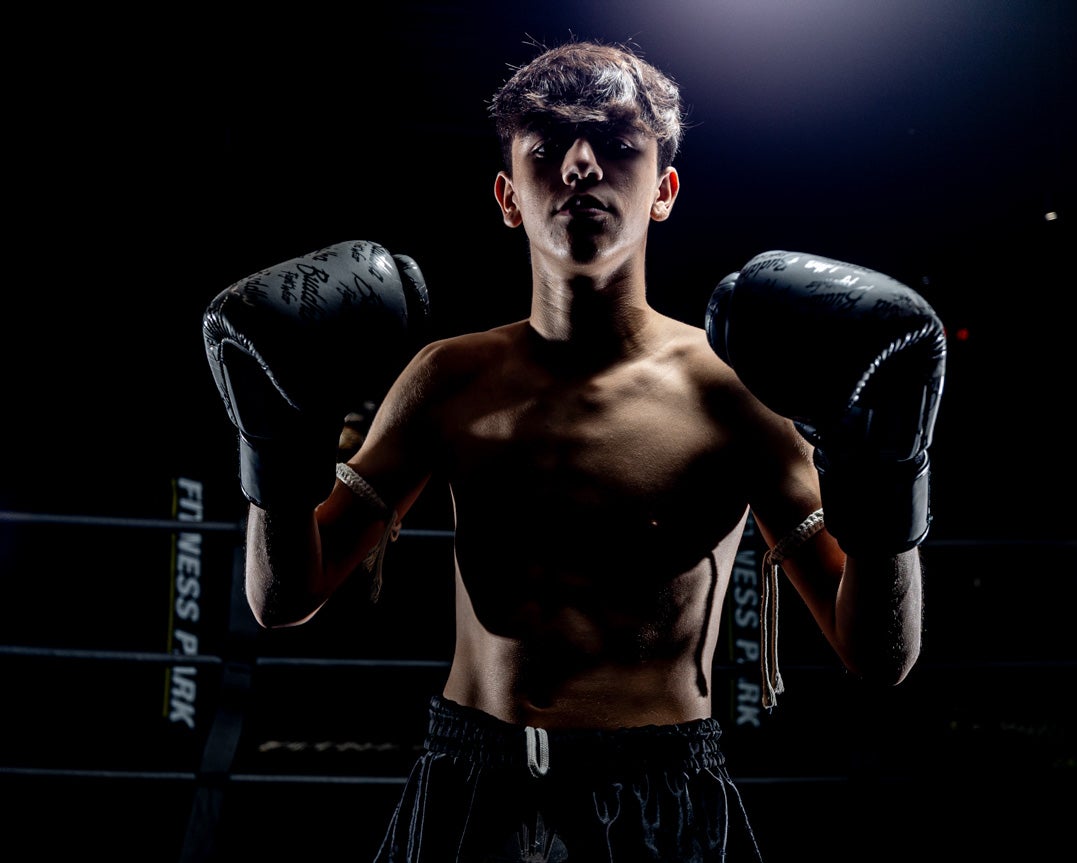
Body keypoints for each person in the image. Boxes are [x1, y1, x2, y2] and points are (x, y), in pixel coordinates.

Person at [203, 38, 945, 862]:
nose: (583, 163)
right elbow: (282, 596)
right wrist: (273, 451)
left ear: (663, 190)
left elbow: (880, 656)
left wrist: (888, 482)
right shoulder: (447, 378)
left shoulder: (734, 395)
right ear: (508, 195)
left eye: (619, 143)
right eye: (548, 145)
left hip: (662, 797)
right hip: (470, 784)